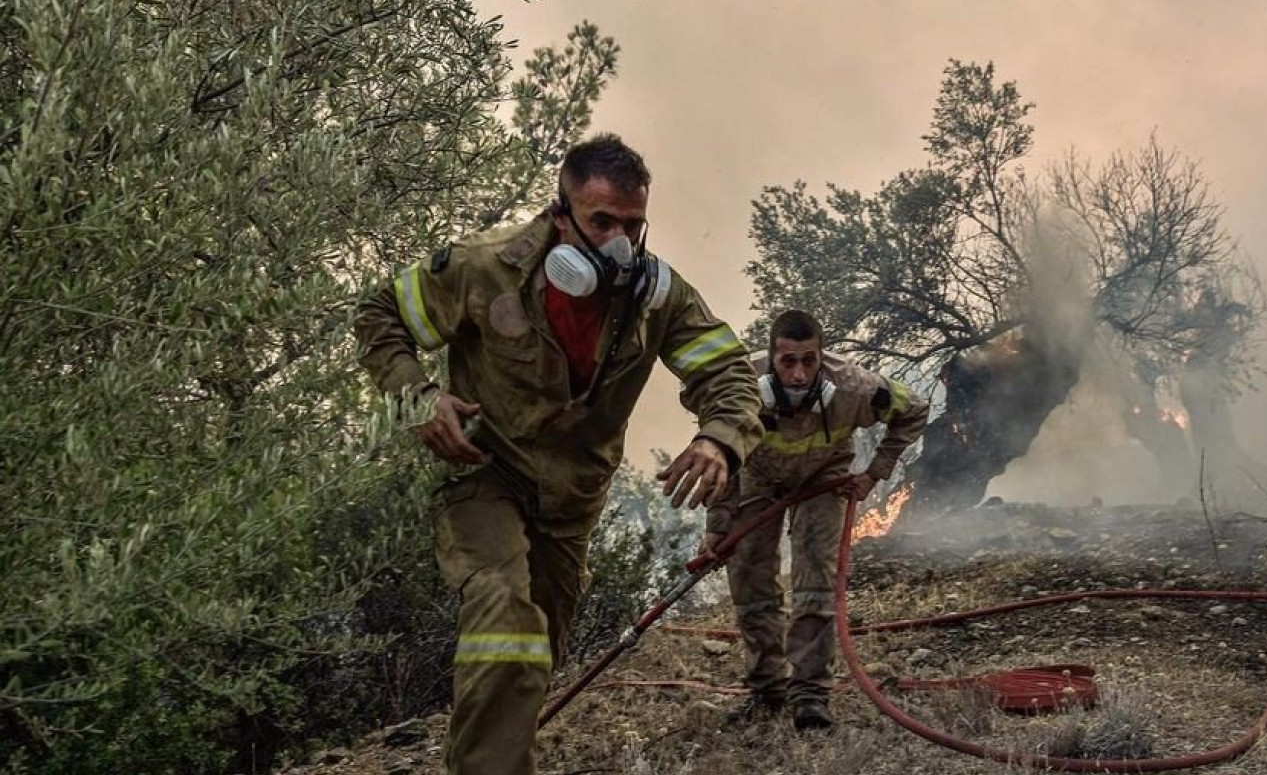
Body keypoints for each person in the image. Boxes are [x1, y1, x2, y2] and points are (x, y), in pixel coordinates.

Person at [354, 134, 762, 775]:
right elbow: (381, 316)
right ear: (561, 213)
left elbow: (728, 372)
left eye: (633, 225)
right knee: (503, 616)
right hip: (482, 473)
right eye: (602, 222)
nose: (619, 245)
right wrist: (421, 397)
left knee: (535, 649)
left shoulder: (657, 300)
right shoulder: (483, 267)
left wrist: (719, 437)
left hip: (570, 503)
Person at [702, 309, 930, 731]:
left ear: (822, 357)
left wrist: (873, 474)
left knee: (815, 580)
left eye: (809, 360)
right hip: (757, 478)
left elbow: (914, 408)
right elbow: (720, 454)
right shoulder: (740, 389)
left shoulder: (855, 387)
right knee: (749, 581)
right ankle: (767, 691)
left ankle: (809, 695)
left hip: (825, 480)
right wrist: (719, 525)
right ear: (771, 359)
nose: (800, 374)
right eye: (788, 361)